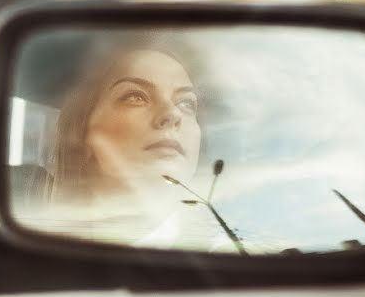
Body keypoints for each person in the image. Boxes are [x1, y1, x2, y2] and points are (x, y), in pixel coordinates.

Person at [21, 36, 234, 251]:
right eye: (136, 97)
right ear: (81, 130)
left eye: (186, 103)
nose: (172, 113)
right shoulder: (31, 236)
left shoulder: (226, 255)